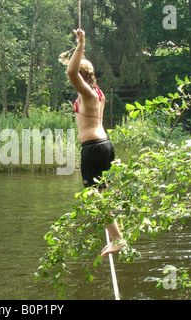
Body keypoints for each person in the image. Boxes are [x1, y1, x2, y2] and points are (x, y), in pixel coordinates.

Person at [66, 29, 125, 257]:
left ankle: (118, 239)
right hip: (104, 146)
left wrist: (81, 44)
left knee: (93, 194)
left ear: (81, 76)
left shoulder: (89, 94)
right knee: (102, 192)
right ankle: (116, 233)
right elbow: (75, 71)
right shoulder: (97, 93)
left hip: (93, 148)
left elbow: (71, 72)